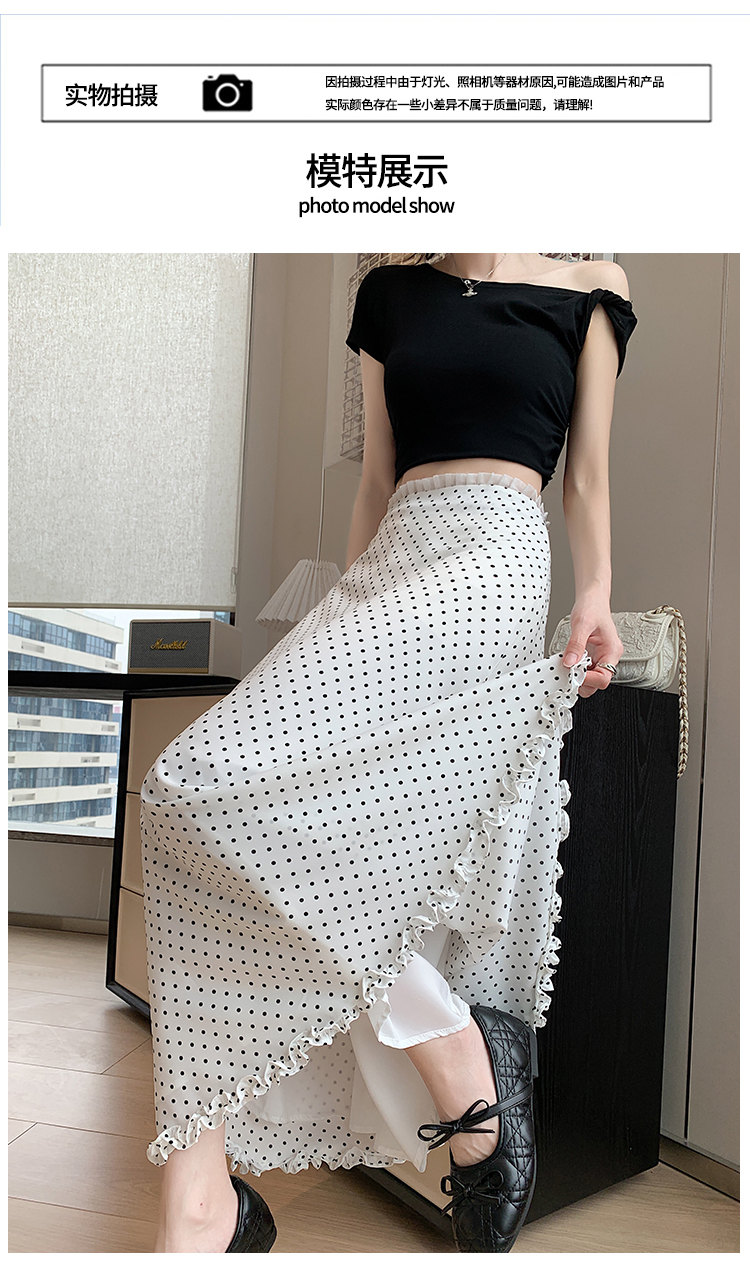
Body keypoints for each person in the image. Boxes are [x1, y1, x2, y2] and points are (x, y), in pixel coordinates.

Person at [141, 252, 636, 1253]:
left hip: (495, 563)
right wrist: (342, 616)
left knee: (361, 856)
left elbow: (586, 475)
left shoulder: (591, 288)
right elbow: (377, 476)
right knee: (186, 797)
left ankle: (433, 1058)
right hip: (388, 564)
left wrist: (595, 593)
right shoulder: (389, 294)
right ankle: (210, 1193)